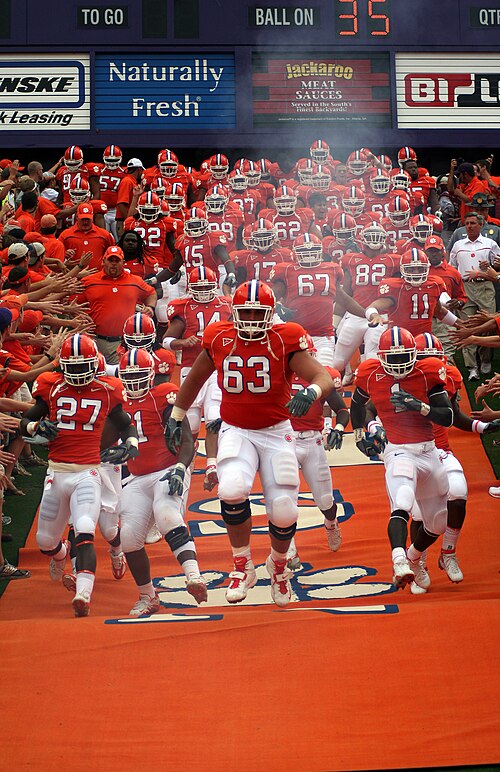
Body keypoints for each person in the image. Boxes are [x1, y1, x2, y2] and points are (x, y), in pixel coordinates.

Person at [165, 279, 334, 607]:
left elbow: (322, 376)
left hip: (275, 431)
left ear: (271, 313)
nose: (254, 318)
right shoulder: (220, 336)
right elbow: (196, 377)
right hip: (237, 429)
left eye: (260, 312)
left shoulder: (284, 337)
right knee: (231, 489)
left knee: (284, 510)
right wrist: (176, 416)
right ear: (234, 312)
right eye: (247, 312)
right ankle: (242, 565)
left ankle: (278, 566)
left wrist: (310, 392)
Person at [19, 333, 138, 617]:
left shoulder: (107, 389)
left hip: (88, 471)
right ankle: (61, 555)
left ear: (93, 363)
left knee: (85, 526)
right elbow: (26, 421)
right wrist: (35, 428)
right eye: (70, 367)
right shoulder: (50, 387)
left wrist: (131, 446)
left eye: (81, 366)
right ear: (62, 366)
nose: (76, 373)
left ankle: (83, 594)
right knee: (45, 542)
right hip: (56, 472)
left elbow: (125, 423)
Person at [350, 326, 454, 590]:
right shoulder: (370, 372)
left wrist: (419, 406)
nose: (398, 364)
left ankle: (413, 556)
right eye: (392, 358)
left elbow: (448, 416)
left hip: (429, 450)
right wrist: (360, 433)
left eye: (403, 356)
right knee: (403, 501)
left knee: (439, 521)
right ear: (382, 355)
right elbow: (357, 403)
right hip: (398, 449)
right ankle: (398, 560)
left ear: (414, 354)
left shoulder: (426, 372)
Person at [117, 347, 207, 617]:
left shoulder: (163, 395)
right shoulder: (117, 401)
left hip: (168, 468)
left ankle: (194, 577)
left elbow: (187, 438)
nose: (133, 382)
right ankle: (148, 596)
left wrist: (181, 466)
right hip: (136, 475)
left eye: (139, 375)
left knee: (167, 515)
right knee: (129, 539)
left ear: (151, 374)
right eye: (128, 376)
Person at [410, 333, 500, 591]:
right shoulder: (399, 381)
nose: (429, 366)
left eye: (433, 360)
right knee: (418, 513)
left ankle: (448, 551)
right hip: (412, 453)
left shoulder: (448, 375)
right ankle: (418, 562)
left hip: (440, 450)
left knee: (459, 493)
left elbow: (453, 416)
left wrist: (481, 427)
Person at [163, 266, 232, 490]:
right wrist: (183, 342)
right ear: (190, 288)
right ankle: (186, 468)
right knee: (190, 425)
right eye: (198, 288)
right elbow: (165, 340)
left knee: (214, 415)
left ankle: (212, 464)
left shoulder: (226, 305)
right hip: (190, 369)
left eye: (207, 287)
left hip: (216, 368)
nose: (203, 292)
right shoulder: (182, 307)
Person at [287, 342, 350, 568]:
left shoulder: (322, 376)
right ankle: (289, 548)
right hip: (284, 442)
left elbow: (342, 410)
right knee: (285, 499)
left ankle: (331, 523)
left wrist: (338, 429)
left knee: (325, 500)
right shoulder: (276, 375)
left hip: (312, 440)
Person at [77, 245, 156, 363]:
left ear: (123, 262)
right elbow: (74, 304)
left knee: (118, 378)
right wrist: (79, 315)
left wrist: (150, 307)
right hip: (96, 340)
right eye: (110, 260)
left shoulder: (135, 281)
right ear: (103, 261)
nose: (113, 263)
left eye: (117, 260)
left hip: (123, 343)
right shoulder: (89, 281)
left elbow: (151, 293)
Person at [448, 212, 500, 379]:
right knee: (466, 324)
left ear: (481, 225)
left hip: (484, 286)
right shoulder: (457, 245)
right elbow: (452, 268)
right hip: (465, 287)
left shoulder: (490, 244)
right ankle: (472, 367)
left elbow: (498, 266)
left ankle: (485, 360)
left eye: (472, 223)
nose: (469, 226)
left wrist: (490, 265)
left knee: (488, 323)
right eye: (466, 223)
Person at [59, 202, 115, 271]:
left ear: (92, 217)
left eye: (88, 219)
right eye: (83, 219)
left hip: (98, 278)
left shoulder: (104, 235)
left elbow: (113, 254)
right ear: (77, 217)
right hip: (73, 278)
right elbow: (58, 258)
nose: (85, 222)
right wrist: (64, 254)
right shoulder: (65, 235)